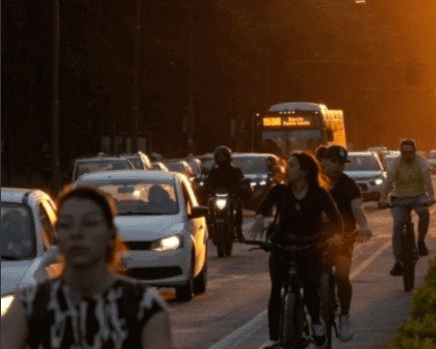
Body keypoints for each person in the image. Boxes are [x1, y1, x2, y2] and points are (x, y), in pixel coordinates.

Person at [1, 185, 172, 349]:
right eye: (66, 224)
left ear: (111, 233)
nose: (76, 233)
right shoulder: (29, 304)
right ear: (58, 236)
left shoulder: (143, 306)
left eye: (89, 223)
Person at [248, 152, 343, 349]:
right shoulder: (280, 191)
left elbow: (337, 221)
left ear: (304, 171)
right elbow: (263, 207)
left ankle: (316, 322)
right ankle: (274, 337)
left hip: (310, 247)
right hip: (283, 246)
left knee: (310, 288)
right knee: (276, 290)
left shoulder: (319, 194)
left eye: (292, 165)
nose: (287, 169)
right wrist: (259, 218)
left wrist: (335, 236)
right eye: (287, 165)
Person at [320, 145, 373, 342]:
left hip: (344, 237)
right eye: (333, 161)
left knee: (342, 275)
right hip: (316, 238)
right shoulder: (314, 182)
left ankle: (344, 317)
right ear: (324, 162)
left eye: (341, 163)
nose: (337, 166)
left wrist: (364, 227)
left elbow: (357, 209)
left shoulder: (350, 185)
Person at [378, 139, 436, 276]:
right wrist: (382, 199)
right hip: (399, 198)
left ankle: (420, 241)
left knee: (424, 212)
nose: (407, 155)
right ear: (401, 152)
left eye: (410, 152)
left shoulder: (421, 161)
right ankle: (398, 262)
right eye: (404, 152)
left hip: (418, 196)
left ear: (415, 152)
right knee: (398, 226)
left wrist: (431, 196)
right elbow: (388, 181)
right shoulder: (395, 162)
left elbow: (427, 180)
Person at [203, 145, 250, 241]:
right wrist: (204, 188)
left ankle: (239, 231)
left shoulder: (236, 171)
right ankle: (209, 228)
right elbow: (207, 183)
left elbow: (242, 182)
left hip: (231, 197)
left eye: (222, 156)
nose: (221, 159)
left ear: (228, 157)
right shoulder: (214, 172)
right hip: (217, 197)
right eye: (219, 156)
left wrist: (243, 188)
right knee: (208, 205)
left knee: (238, 205)